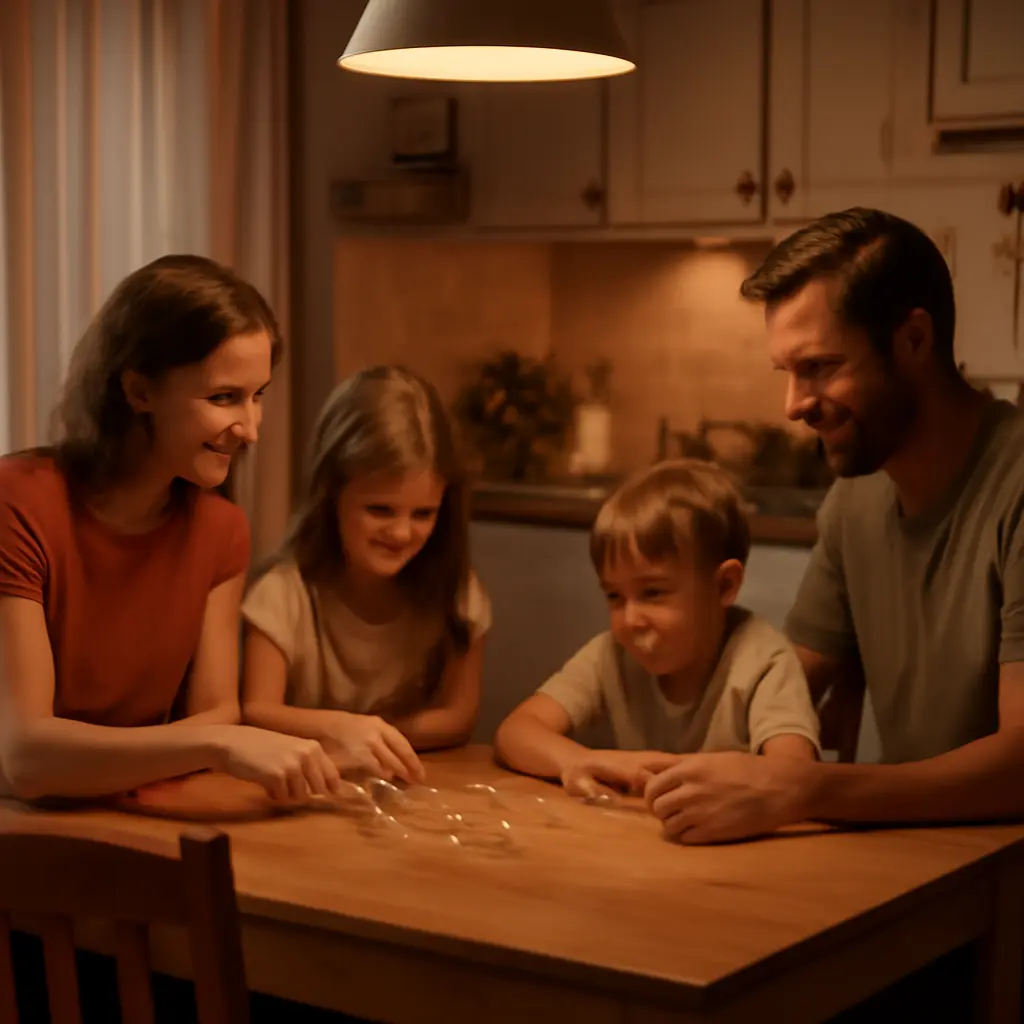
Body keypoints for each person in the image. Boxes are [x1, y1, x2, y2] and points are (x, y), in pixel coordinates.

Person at [643, 207, 1024, 850]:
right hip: (916, 863)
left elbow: (1020, 766)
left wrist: (804, 789)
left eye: (819, 367)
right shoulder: (857, 499)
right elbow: (787, 680)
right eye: (787, 373)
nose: (793, 406)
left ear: (914, 340)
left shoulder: (1015, 486)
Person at [0, 254, 344, 804]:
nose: (251, 429)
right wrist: (213, 745)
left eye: (258, 395)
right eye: (224, 398)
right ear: (139, 392)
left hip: (132, 813)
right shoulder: (18, 501)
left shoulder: (222, 530)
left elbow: (217, 715)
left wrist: (209, 743)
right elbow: (26, 758)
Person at [495, 459, 820, 797]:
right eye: (614, 596)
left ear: (724, 585)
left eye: (653, 593)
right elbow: (515, 732)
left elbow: (794, 774)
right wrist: (584, 761)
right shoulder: (611, 655)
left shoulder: (764, 661)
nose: (631, 619)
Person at [240, 365, 491, 782]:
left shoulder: (457, 592)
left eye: (423, 514)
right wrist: (344, 730)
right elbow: (256, 711)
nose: (401, 533)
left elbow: (459, 716)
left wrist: (373, 738)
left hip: (412, 788)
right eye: (380, 510)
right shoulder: (282, 594)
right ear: (331, 494)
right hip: (306, 788)